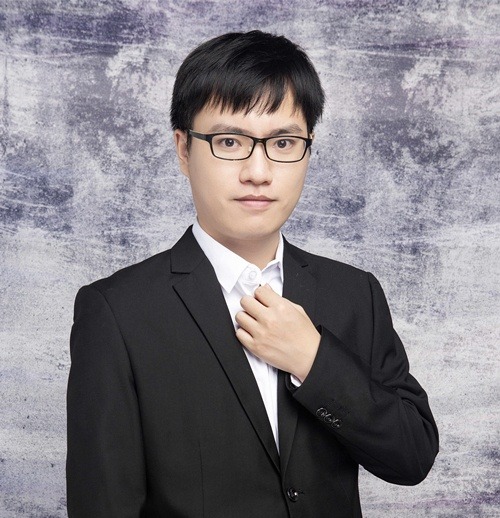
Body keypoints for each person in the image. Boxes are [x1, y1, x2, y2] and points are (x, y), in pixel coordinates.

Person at [66, 30, 438, 517]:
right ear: (183, 149)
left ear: (308, 149)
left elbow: (412, 457)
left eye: (283, 142)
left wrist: (314, 360)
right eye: (229, 141)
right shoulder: (117, 312)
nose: (258, 172)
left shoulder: (354, 293)